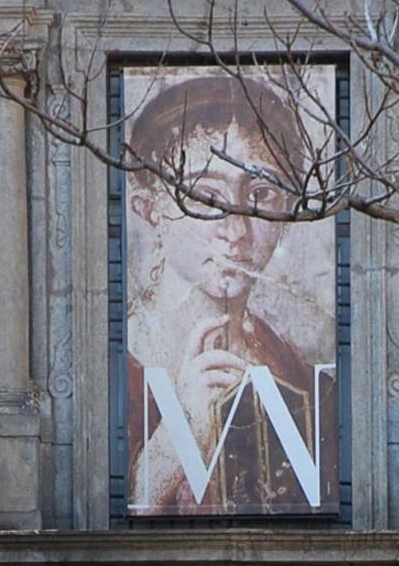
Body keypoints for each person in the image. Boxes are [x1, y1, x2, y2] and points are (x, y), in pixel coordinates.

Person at [124, 73, 337, 516]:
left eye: (260, 194)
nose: (235, 230)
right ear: (150, 210)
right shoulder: (126, 359)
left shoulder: (290, 362)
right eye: (205, 197)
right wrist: (183, 430)